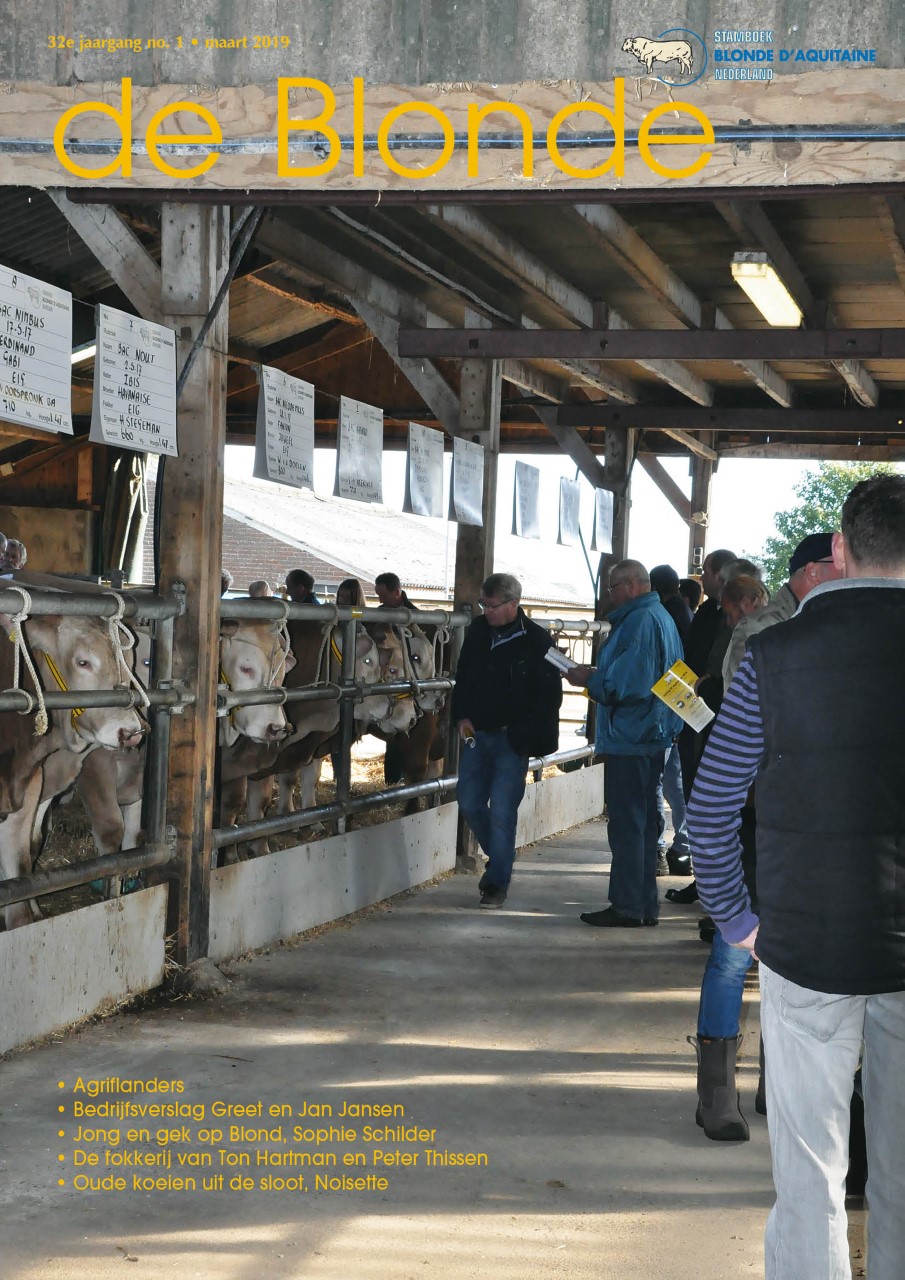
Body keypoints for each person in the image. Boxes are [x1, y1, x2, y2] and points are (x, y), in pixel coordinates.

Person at [687, 474, 905, 1279]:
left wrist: (740, 923)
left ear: (840, 551)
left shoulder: (771, 658)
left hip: (803, 943)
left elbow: (708, 813)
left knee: (808, 1176)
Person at [687, 536, 841, 1143]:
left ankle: (772, 1079)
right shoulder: (768, 630)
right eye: (838, 562)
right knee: (734, 952)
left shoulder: (835, 625)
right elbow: (746, 728)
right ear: (812, 570)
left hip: (802, 815)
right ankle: (716, 1092)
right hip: (756, 806)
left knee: (789, 958)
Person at [566, 560, 683, 927]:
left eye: (613, 588)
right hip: (654, 734)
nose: (609, 596)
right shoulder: (660, 616)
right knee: (646, 823)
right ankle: (643, 905)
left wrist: (589, 679)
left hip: (632, 737)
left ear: (631, 585)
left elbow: (628, 686)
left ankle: (628, 905)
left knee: (629, 824)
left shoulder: (639, 623)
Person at [452, 572, 562, 909]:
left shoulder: (538, 641)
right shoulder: (477, 632)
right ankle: (501, 856)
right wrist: (461, 715)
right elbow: (463, 675)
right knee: (468, 800)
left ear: (514, 604)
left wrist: (523, 735)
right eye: (484, 605)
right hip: (478, 734)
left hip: (512, 740)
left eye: (494, 606)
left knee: (502, 809)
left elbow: (550, 696)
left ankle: (497, 883)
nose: (488, 611)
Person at [722, 532, 836, 686]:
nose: (850, 576)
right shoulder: (757, 629)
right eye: (841, 565)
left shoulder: (826, 624)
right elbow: (743, 703)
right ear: (813, 572)